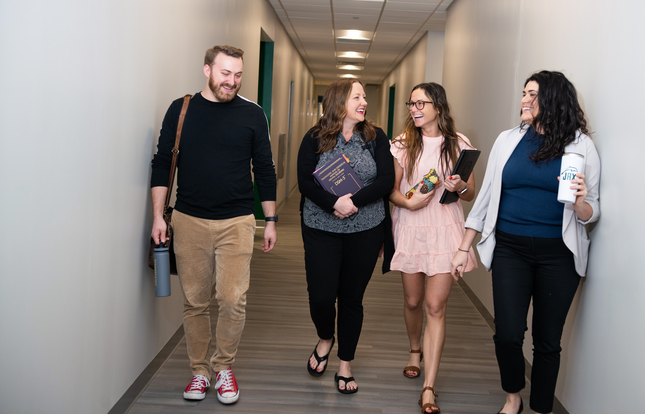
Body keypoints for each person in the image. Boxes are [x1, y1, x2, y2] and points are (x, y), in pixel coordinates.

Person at [451, 71, 601, 414]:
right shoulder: (508, 140)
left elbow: (593, 211)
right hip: (510, 249)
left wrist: (580, 203)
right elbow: (486, 198)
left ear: (551, 99)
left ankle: (542, 407)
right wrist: (464, 247)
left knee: (548, 341)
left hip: (558, 255)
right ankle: (513, 397)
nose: (523, 100)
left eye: (531, 94)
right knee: (507, 332)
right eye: (523, 93)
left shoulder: (581, 146)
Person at [150, 45, 278, 405]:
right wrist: (158, 216)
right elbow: (162, 164)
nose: (232, 82)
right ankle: (199, 372)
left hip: (237, 220)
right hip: (189, 220)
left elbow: (265, 169)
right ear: (207, 70)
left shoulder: (253, 114)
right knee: (195, 301)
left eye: (238, 75)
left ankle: (223, 367)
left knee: (232, 298)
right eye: (225, 74)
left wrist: (269, 219)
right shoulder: (182, 109)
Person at [297, 79, 394, 395]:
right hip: (321, 227)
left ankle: (346, 363)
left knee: (352, 299)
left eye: (365, 96)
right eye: (357, 96)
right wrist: (333, 202)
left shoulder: (375, 137)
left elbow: (386, 180)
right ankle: (326, 337)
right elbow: (305, 182)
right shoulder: (314, 137)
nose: (364, 101)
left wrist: (353, 202)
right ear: (339, 101)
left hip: (365, 229)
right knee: (321, 295)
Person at [388, 82, 477, 414]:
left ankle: (429, 387)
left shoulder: (459, 144)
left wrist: (460, 185)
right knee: (412, 301)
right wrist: (408, 206)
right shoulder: (400, 144)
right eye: (412, 103)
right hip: (411, 226)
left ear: (438, 107)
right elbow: (393, 192)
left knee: (434, 305)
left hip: (445, 228)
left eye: (421, 103)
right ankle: (415, 349)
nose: (414, 108)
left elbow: (469, 194)